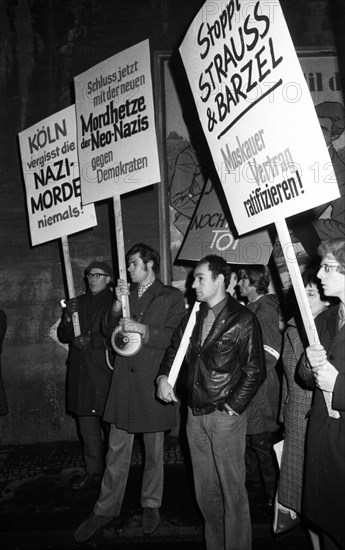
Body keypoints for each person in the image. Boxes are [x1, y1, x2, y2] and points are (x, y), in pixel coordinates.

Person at [74, 243, 186, 542]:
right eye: (129, 264)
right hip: (123, 381)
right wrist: (115, 304)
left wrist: (143, 329)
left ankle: (151, 504)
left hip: (152, 381)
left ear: (150, 264)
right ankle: (105, 508)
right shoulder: (123, 295)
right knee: (116, 449)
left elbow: (176, 337)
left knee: (154, 451)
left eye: (134, 263)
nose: (130, 269)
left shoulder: (171, 296)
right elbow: (106, 330)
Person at [157, 255, 266, 550]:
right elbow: (174, 349)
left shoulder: (242, 319)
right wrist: (163, 377)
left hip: (224, 417)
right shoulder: (193, 315)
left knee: (232, 493)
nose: (193, 284)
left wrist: (231, 408)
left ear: (220, 280)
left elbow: (255, 370)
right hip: (194, 415)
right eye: (194, 278)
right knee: (206, 493)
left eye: (200, 278)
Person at [279, 264, 331, 550]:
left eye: (309, 294)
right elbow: (287, 378)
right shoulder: (292, 330)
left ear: (325, 299)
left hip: (322, 424)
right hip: (297, 422)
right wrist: (283, 415)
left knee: (322, 500)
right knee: (304, 502)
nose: (304, 301)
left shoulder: (331, 330)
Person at [298, 238, 345, 550]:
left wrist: (338, 385)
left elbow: (333, 382)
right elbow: (305, 376)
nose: (320, 275)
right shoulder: (324, 320)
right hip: (323, 447)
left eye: (328, 267)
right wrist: (308, 363)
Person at [57, 261, 113, 490]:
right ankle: (93, 471)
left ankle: (112, 475)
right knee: (86, 425)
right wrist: (68, 318)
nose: (92, 279)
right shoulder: (77, 302)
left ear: (108, 278)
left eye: (97, 275)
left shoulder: (116, 302)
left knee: (110, 424)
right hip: (81, 370)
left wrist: (94, 340)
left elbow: (120, 332)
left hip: (103, 370)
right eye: (89, 275)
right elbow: (63, 335)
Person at [237, 266, 282, 506]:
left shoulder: (264, 310)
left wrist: (243, 365)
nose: (239, 284)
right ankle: (257, 492)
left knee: (261, 445)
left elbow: (270, 354)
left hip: (260, 387)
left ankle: (274, 498)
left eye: (243, 280)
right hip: (251, 385)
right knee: (250, 442)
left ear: (255, 283)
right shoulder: (252, 307)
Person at [288, 101, 345, 259]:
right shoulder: (289, 146)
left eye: (321, 129)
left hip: (289, 246)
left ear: (334, 135)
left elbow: (343, 226)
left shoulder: (338, 174)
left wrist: (299, 228)